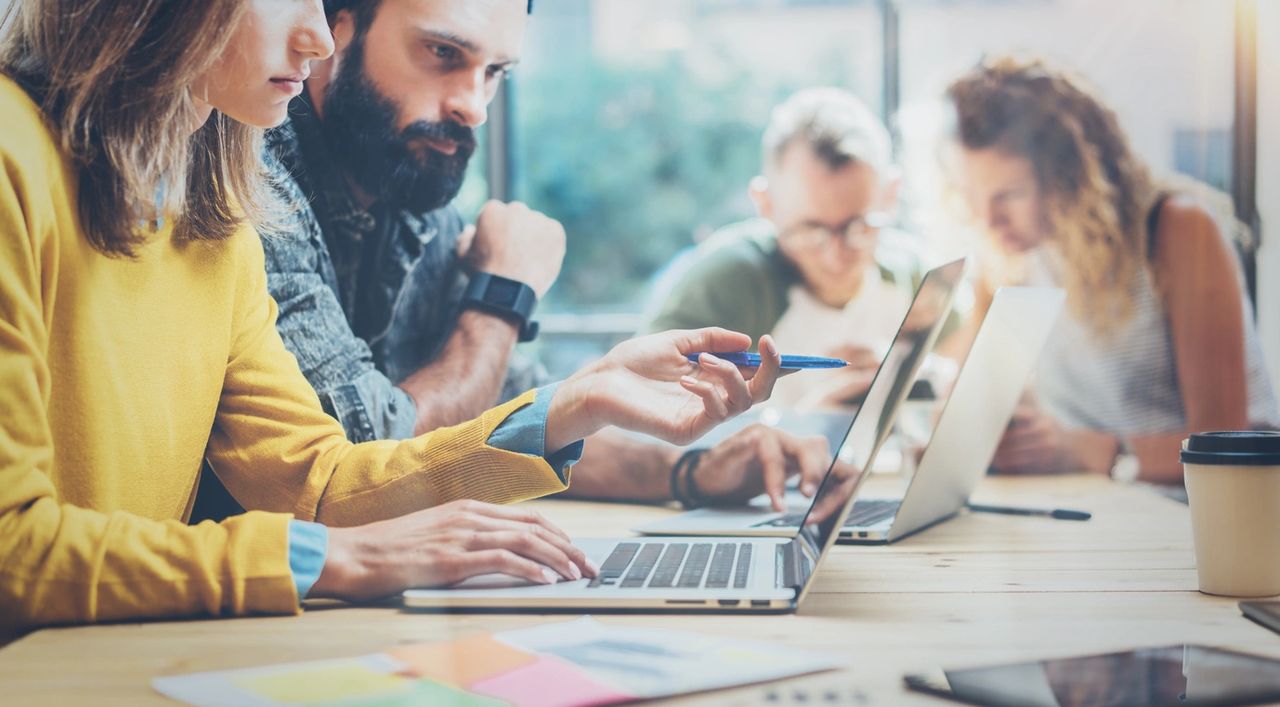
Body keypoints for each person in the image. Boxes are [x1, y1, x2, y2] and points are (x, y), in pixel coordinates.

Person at [0, 0, 784, 630]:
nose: (316, 35)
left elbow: (320, 480)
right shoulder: (13, 156)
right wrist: (325, 560)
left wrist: (571, 405)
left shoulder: (219, 210)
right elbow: (13, 549)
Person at [237, 0, 831, 514]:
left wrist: (692, 473)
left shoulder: (410, 184)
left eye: (494, 72)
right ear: (334, 25)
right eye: (442, 52)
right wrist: (502, 295)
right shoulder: (247, 178)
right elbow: (360, 471)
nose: (475, 105)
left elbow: (505, 423)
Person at [944, 56, 1279, 484]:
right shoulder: (1014, 254)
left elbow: (1224, 450)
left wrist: (1093, 451)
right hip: (1096, 508)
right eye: (972, 193)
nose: (987, 219)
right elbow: (980, 397)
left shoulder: (1177, 229)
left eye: (1010, 194)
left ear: (1066, 178)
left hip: (1205, 516)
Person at [642, 87, 939, 411]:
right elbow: (636, 406)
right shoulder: (730, 282)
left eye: (859, 227)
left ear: (890, 195)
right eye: (810, 231)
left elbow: (956, 361)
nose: (835, 255)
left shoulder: (911, 275)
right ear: (766, 204)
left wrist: (906, 372)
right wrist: (804, 425)